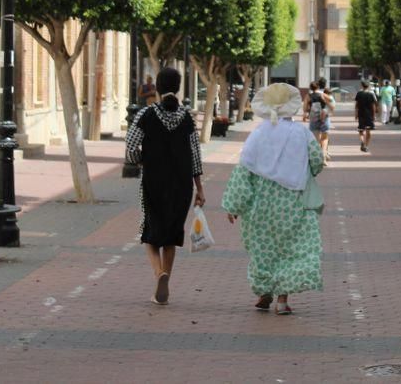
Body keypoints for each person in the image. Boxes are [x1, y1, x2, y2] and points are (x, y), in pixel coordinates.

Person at [222, 83, 324, 315]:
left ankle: (263, 292)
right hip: (293, 203)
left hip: (261, 205)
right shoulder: (302, 133)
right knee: (291, 249)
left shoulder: (258, 134)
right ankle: (282, 300)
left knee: (262, 249)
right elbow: (317, 160)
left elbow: (244, 170)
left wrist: (234, 205)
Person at [124, 67, 204, 305]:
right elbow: (196, 155)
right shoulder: (187, 117)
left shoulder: (146, 115)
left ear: (157, 87)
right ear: (178, 87)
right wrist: (200, 188)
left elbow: (130, 148)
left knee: (150, 232)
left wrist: (141, 160)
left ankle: (159, 273)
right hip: (181, 184)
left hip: (154, 180)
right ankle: (165, 278)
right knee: (171, 234)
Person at [305, 81, 330, 160]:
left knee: (316, 139)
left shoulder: (308, 96)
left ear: (310, 88)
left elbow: (305, 107)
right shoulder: (322, 94)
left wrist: (305, 114)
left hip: (313, 118)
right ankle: (324, 155)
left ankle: (318, 155)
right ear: (318, 87)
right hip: (324, 117)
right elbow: (330, 100)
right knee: (325, 138)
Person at [354, 80, 378, 152]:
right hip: (369, 115)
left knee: (361, 130)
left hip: (361, 114)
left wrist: (356, 114)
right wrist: (374, 115)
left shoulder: (359, 93)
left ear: (362, 85)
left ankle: (362, 141)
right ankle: (366, 145)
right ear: (369, 86)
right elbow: (373, 105)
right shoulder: (371, 94)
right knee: (368, 130)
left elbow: (356, 105)